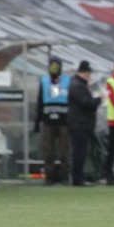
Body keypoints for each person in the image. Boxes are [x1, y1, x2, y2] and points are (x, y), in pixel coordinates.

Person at [34, 56, 72, 185]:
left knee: (64, 150)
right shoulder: (44, 81)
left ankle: (65, 176)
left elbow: (72, 102)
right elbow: (39, 102)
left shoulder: (67, 81)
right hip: (48, 122)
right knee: (48, 150)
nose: (54, 68)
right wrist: (37, 122)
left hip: (64, 122)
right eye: (52, 65)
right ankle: (49, 176)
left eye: (56, 65)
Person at [67, 60, 101, 186]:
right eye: (88, 73)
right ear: (85, 73)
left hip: (81, 124)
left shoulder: (78, 84)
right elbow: (86, 103)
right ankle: (77, 178)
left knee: (81, 152)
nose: (89, 76)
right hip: (79, 124)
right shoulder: (77, 86)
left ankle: (79, 177)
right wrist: (99, 99)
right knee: (78, 152)